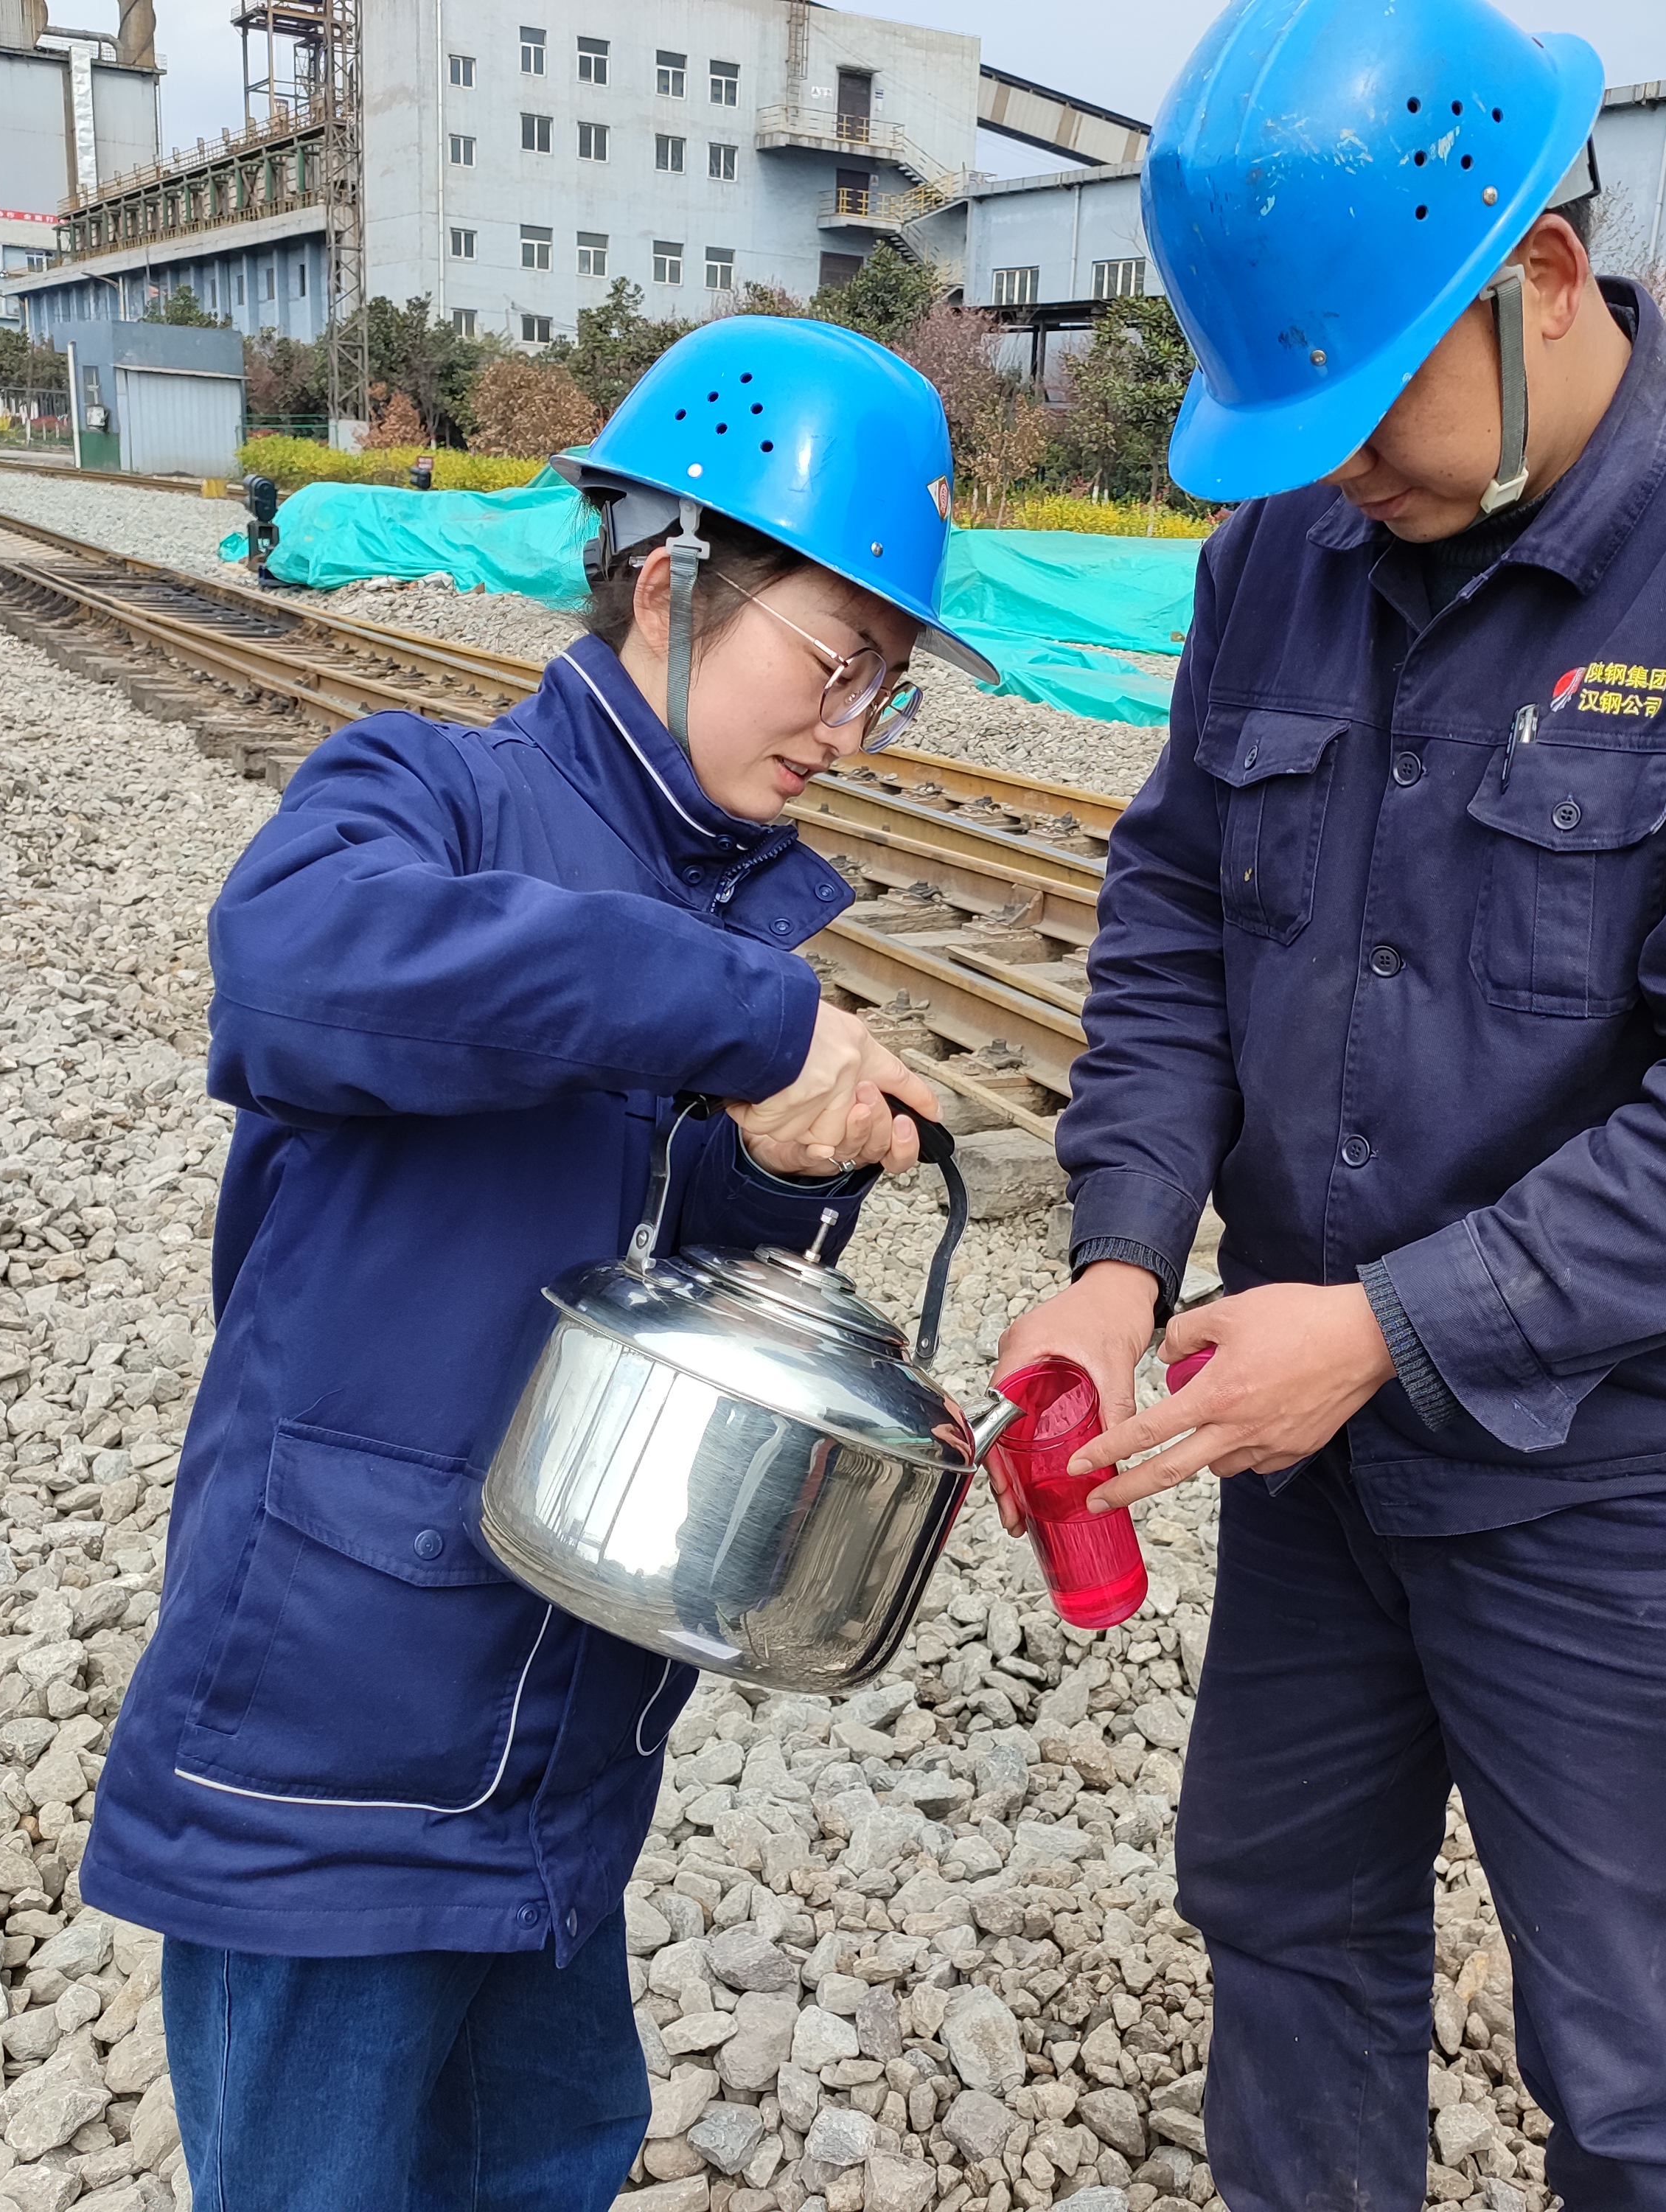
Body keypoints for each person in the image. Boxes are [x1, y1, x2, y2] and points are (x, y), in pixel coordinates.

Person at [990, 2, 1666, 2208]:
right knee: (1284, 1923)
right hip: (1312, 1455)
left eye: (1366, 405)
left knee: (1628, 2066)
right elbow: (1168, 915)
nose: (1342, 471)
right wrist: (1123, 1259)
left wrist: (1395, 1330)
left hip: (1613, 1486)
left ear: (1536, 270)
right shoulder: (1292, 551)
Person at [80, 316, 1004, 2211]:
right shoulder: (425, 792)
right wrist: (736, 1024)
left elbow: (661, 1292)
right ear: (668, 583)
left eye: (889, 689)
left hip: (559, 1753)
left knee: (550, 2159)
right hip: (328, 1748)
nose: (850, 730)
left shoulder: (724, 905)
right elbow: (286, 966)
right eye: (837, 666)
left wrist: (785, 1179)